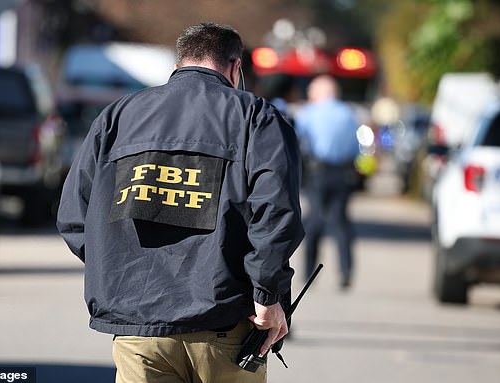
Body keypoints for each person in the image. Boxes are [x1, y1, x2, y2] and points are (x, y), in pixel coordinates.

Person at [56, 23, 304, 383]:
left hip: (139, 334)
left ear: (177, 67)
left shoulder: (117, 116)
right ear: (236, 69)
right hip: (225, 329)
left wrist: (119, 270)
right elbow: (276, 213)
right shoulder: (255, 117)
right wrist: (266, 295)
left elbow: (75, 218)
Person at [294, 75, 360, 290]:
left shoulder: (309, 113)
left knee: (314, 222)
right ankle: (345, 270)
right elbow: (355, 147)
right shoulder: (349, 114)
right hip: (343, 172)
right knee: (341, 222)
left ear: (321, 92)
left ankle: (308, 273)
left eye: (312, 90)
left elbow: (297, 140)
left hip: (318, 172)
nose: (309, 95)